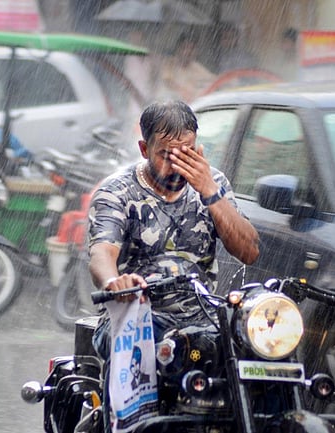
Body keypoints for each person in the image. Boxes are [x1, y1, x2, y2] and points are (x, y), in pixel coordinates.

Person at [88, 99, 260, 358]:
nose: (178, 165)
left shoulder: (214, 182)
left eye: (187, 153)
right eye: (167, 155)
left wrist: (210, 192)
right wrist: (114, 282)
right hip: (135, 317)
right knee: (145, 347)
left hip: (203, 319)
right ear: (144, 149)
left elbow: (249, 252)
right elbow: (102, 252)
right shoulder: (117, 190)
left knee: (261, 349)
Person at [157, 33, 216, 103]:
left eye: (191, 49)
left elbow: (213, 80)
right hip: (168, 103)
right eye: (185, 48)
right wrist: (182, 91)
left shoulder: (196, 67)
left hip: (192, 105)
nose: (188, 52)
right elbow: (167, 80)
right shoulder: (170, 63)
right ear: (178, 49)